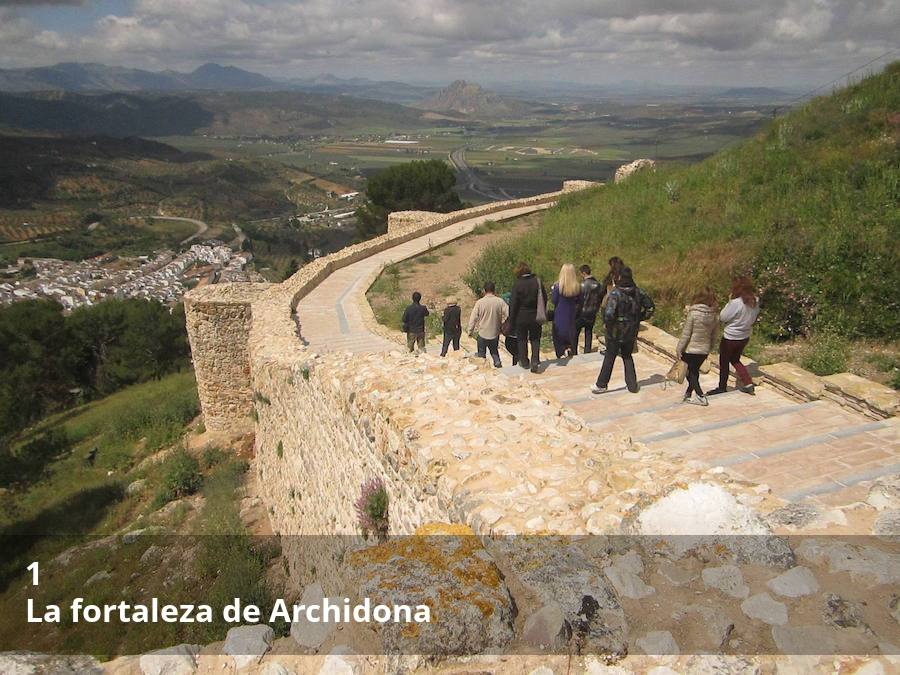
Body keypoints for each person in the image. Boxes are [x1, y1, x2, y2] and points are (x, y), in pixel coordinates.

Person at [591, 267, 654, 394]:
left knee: (610, 356)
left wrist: (607, 324)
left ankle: (602, 384)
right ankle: (632, 385)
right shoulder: (638, 292)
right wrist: (638, 318)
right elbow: (650, 308)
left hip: (615, 331)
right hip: (631, 330)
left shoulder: (615, 294)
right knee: (627, 356)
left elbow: (609, 314)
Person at [709, 276, 760, 396]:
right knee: (735, 359)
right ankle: (748, 382)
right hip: (744, 336)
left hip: (730, 337)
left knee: (724, 362)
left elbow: (723, 317)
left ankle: (722, 387)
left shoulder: (736, 303)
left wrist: (729, 302)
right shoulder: (755, 300)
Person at [675, 288, 719, 406]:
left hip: (690, 349)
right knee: (694, 371)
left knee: (690, 373)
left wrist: (679, 349)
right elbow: (714, 335)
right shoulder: (714, 315)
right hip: (704, 350)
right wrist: (710, 348)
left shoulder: (693, 313)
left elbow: (686, 334)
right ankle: (688, 394)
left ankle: (700, 396)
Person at [509, 262, 548, 373]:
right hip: (535, 315)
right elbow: (544, 298)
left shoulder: (518, 284)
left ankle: (524, 361)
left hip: (521, 317)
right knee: (535, 338)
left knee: (522, 339)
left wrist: (511, 321)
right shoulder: (537, 282)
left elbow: (513, 304)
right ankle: (535, 360)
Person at [466, 281, 509, 368]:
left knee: (481, 353)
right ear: (494, 290)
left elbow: (473, 318)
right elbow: (509, 314)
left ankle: (484, 367)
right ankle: (497, 363)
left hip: (483, 333)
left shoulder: (480, 302)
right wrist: (503, 323)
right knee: (494, 351)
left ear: (484, 290)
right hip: (495, 333)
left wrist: (470, 331)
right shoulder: (500, 301)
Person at [551, 264, 582, 358]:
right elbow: (580, 301)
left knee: (558, 337)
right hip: (571, 315)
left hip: (559, 315)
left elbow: (554, 300)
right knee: (570, 335)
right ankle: (569, 349)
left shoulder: (557, 287)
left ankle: (561, 354)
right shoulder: (577, 287)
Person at [575, 264, 602, 354]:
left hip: (582, 312)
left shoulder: (582, 285)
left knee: (575, 332)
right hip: (593, 312)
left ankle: (574, 351)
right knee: (589, 332)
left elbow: (578, 301)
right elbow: (600, 298)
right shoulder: (598, 285)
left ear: (583, 273)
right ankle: (587, 351)